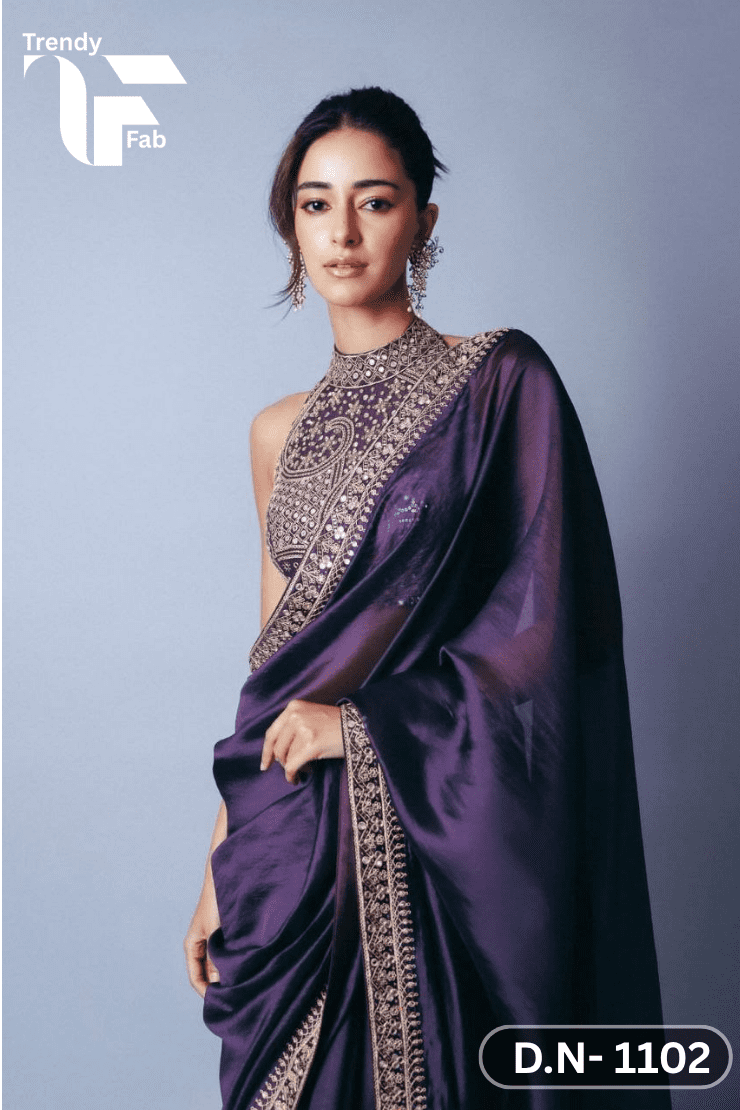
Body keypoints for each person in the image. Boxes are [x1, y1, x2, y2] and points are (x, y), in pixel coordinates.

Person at [184, 87, 668, 1110]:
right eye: (315, 205)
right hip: (292, 839)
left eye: (374, 201)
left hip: (433, 828)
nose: (343, 233)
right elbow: (274, 668)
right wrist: (221, 863)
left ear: (423, 220)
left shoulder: (497, 384)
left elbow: (543, 638)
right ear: (290, 226)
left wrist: (363, 729)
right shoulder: (274, 432)